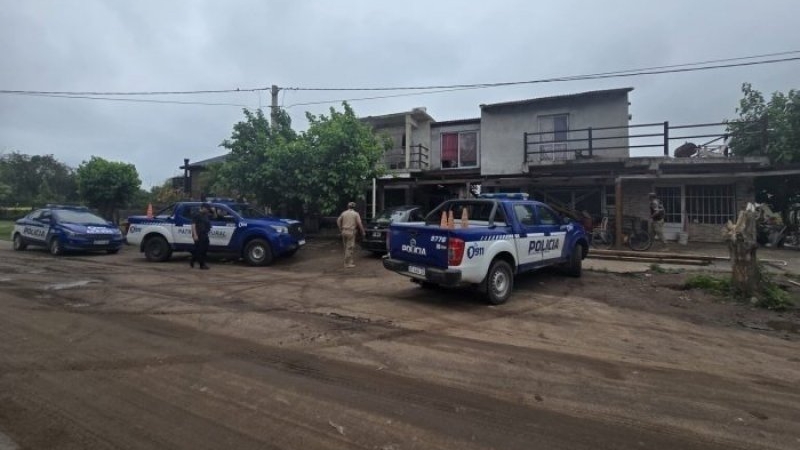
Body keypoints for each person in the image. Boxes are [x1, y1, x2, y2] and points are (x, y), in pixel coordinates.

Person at [337, 201, 365, 268]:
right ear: (354, 207)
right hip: (351, 232)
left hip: (344, 231)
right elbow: (359, 223)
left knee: (346, 247)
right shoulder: (356, 214)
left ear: (348, 206)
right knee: (350, 248)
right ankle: (347, 264)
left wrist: (340, 229)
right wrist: (363, 231)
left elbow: (338, 221)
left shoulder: (344, 213)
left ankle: (349, 261)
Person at [191, 203, 212, 270]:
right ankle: (202, 265)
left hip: (204, 234)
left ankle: (193, 259)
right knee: (201, 250)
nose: (208, 210)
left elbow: (214, 216)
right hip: (199, 234)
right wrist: (195, 235)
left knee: (204, 249)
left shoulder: (205, 215)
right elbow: (193, 225)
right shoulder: (197, 214)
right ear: (203, 208)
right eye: (207, 209)